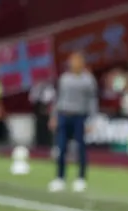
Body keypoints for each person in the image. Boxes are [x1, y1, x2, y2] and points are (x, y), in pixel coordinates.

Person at [48, 52, 98, 193]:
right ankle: (60, 177)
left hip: (79, 116)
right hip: (64, 114)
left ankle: (81, 178)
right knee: (61, 147)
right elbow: (58, 98)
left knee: (80, 148)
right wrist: (54, 116)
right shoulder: (64, 78)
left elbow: (92, 100)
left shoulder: (88, 80)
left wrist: (91, 120)